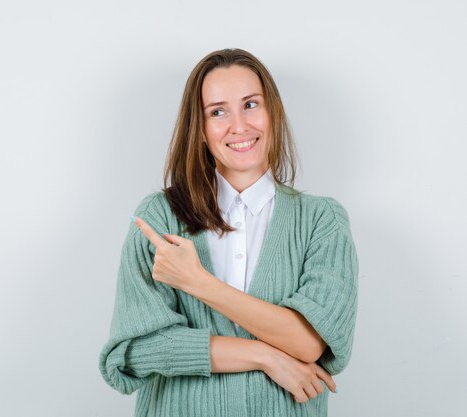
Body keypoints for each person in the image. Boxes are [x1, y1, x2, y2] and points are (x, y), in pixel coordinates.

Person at [99, 48, 358, 417]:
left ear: (273, 113)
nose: (239, 125)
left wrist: (197, 282)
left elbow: (308, 343)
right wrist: (266, 355)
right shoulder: (159, 217)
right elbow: (137, 350)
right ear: (201, 130)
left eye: (251, 105)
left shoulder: (322, 221)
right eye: (217, 112)